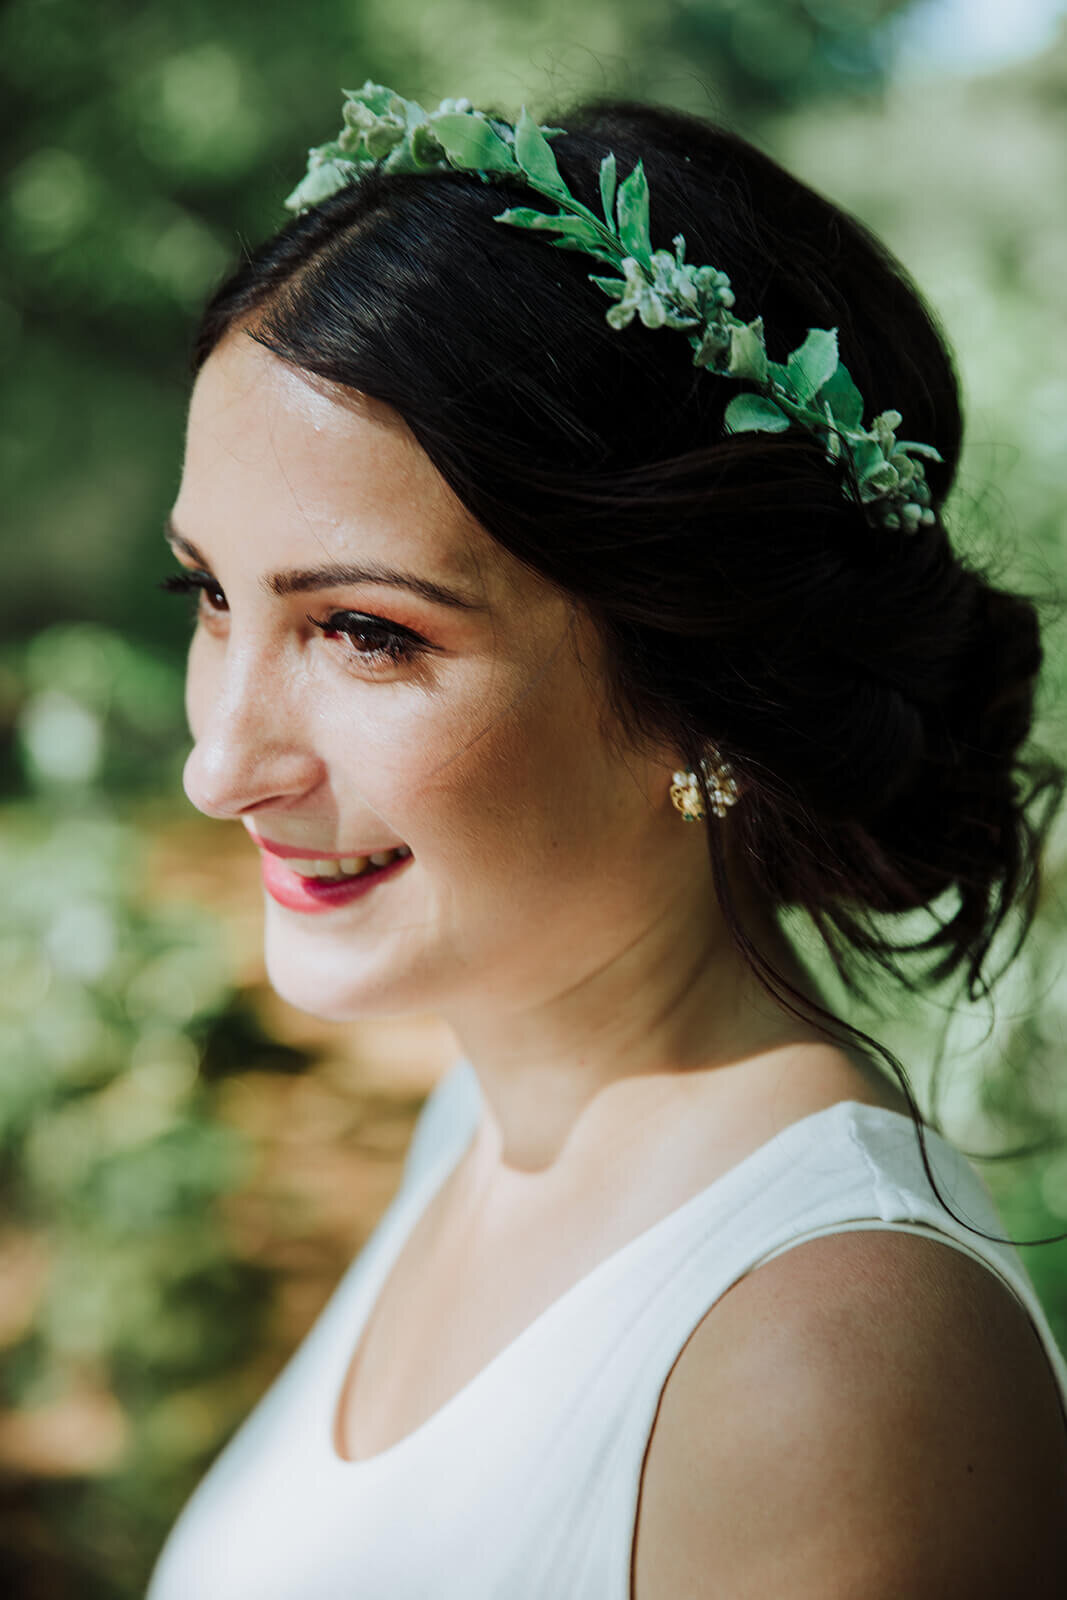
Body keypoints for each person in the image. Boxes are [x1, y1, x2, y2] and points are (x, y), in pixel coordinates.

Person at [146, 86, 1067, 1597]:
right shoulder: (484, 1118)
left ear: (710, 685)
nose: (219, 764)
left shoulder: (824, 1358)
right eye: (211, 596)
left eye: (366, 633)